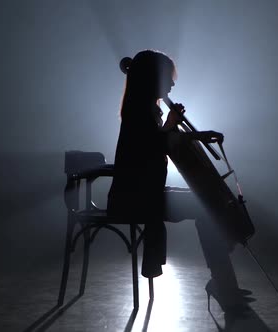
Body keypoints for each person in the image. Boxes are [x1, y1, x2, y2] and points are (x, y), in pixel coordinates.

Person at [107, 49, 251, 312]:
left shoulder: (148, 109)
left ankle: (223, 283)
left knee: (207, 203)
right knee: (207, 206)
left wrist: (197, 133)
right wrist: (172, 125)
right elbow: (152, 146)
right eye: (167, 78)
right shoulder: (137, 112)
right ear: (153, 78)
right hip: (133, 198)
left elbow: (164, 140)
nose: (173, 84)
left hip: (147, 193)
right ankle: (222, 284)